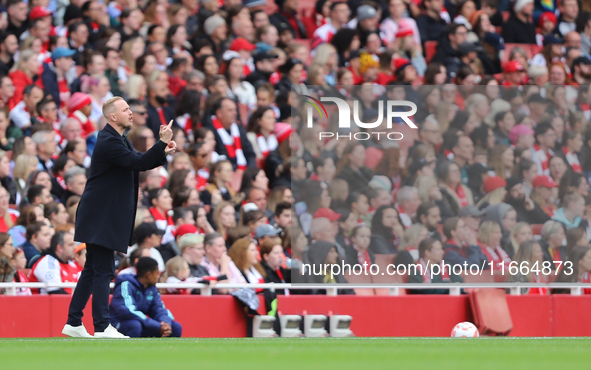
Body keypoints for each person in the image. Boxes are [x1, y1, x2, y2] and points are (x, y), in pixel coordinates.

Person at [63, 96, 177, 339]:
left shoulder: (118, 138)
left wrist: (162, 150)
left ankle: (74, 322)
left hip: (100, 214)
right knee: (103, 270)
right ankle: (102, 326)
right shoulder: (108, 140)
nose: (131, 112)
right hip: (101, 215)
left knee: (93, 269)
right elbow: (137, 162)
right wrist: (160, 143)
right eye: (125, 109)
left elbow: (141, 161)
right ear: (112, 116)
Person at [109, 256, 182, 337]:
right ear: (148, 274)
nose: (158, 277)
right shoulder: (126, 284)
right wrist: (156, 326)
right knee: (135, 326)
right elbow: (127, 311)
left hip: (141, 323)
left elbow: (159, 309)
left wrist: (165, 324)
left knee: (175, 327)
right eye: (157, 273)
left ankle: (166, 349)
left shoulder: (152, 289)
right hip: (118, 323)